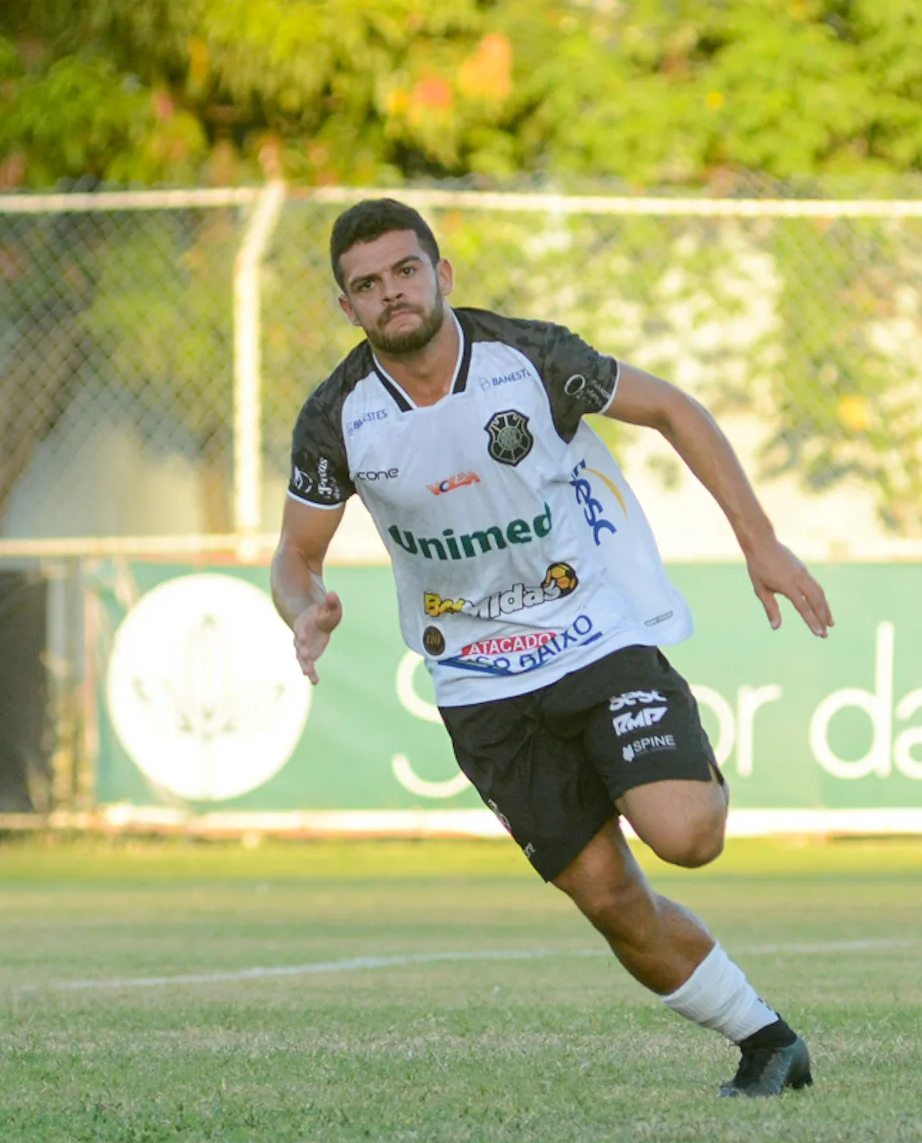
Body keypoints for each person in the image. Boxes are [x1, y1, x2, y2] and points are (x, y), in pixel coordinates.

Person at [272, 198, 834, 1097]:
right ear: (349, 308)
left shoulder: (529, 359)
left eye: (405, 271)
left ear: (442, 274)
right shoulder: (337, 417)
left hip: (593, 637)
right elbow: (297, 556)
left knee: (686, 835)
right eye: (366, 286)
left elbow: (674, 409)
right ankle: (768, 1041)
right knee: (610, 898)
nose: (392, 294)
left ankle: (655, 764)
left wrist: (758, 540)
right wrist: (304, 608)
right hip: (476, 684)